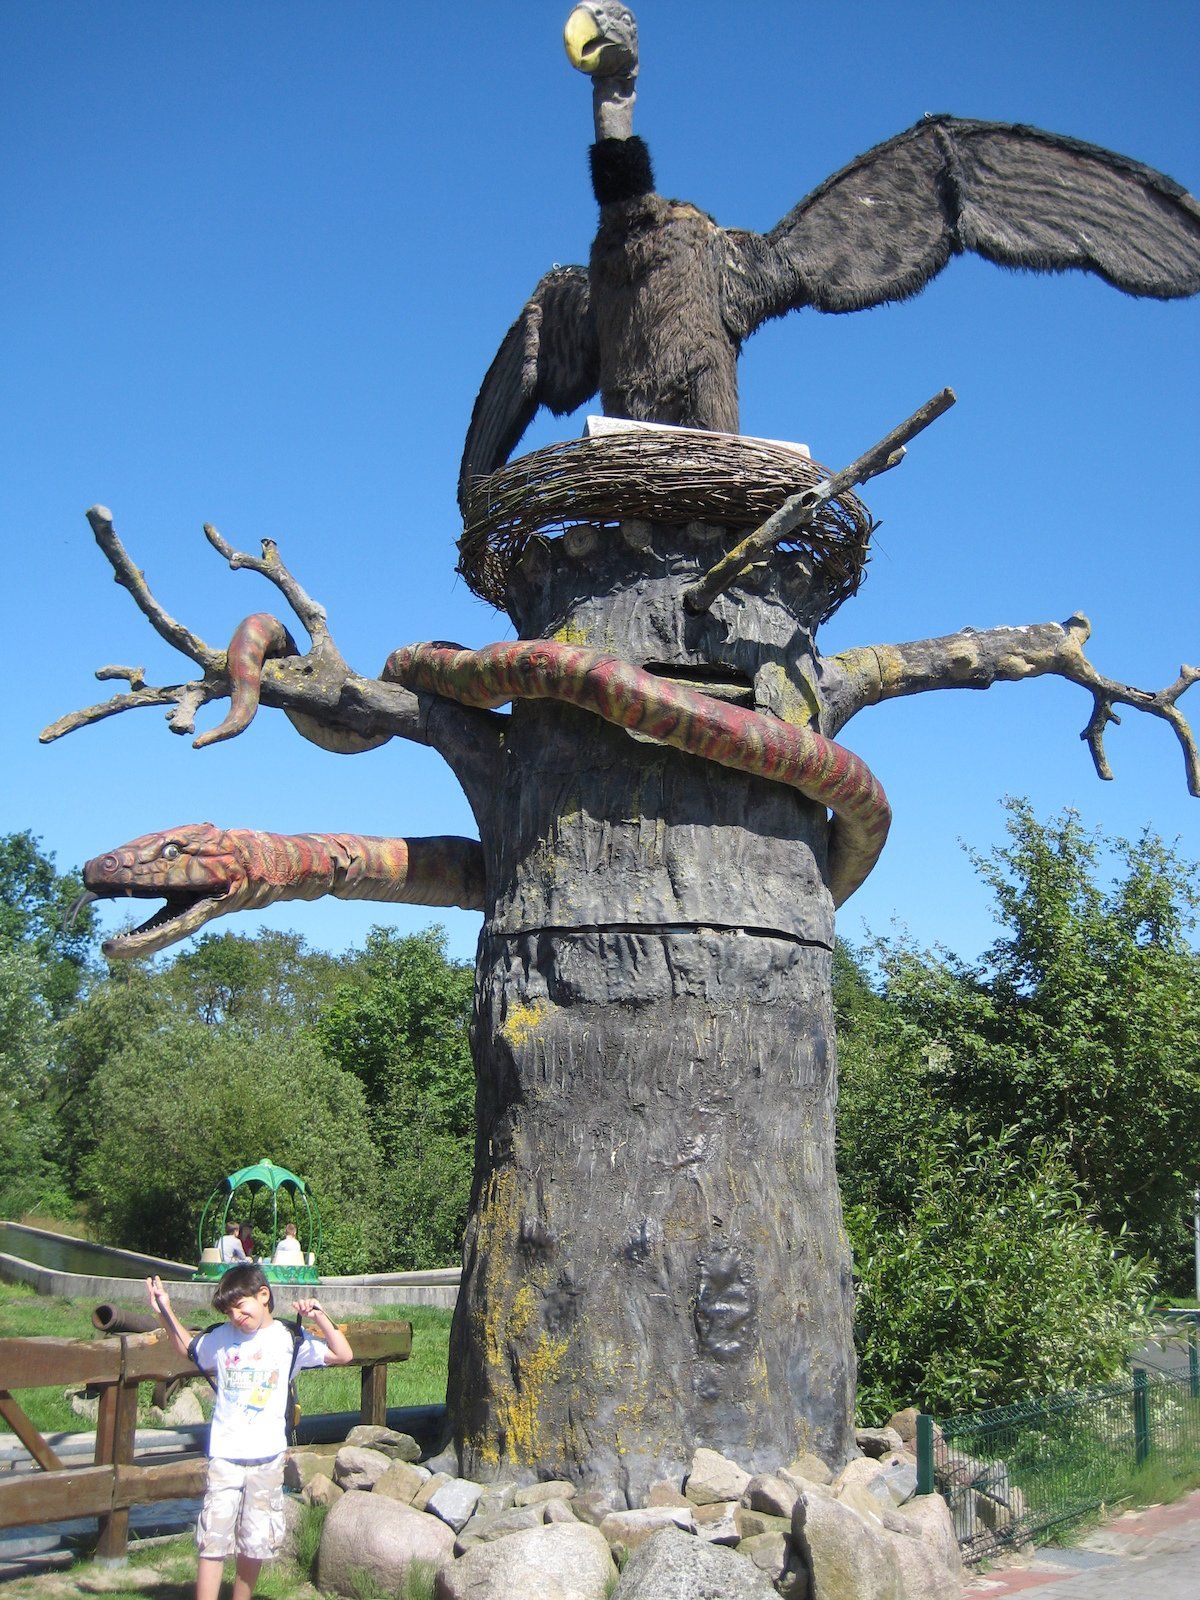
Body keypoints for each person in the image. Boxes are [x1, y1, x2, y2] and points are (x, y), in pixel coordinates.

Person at [146, 1267, 352, 1600]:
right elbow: (188, 1348)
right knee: (213, 1538)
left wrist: (320, 1316)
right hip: (225, 1456)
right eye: (229, 1312)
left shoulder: (289, 1338)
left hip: (268, 1457)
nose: (236, 1317)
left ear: (263, 1296)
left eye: (241, 1307)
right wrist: (164, 1310)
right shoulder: (221, 1337)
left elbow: (343, 1354)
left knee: (255, 1540)